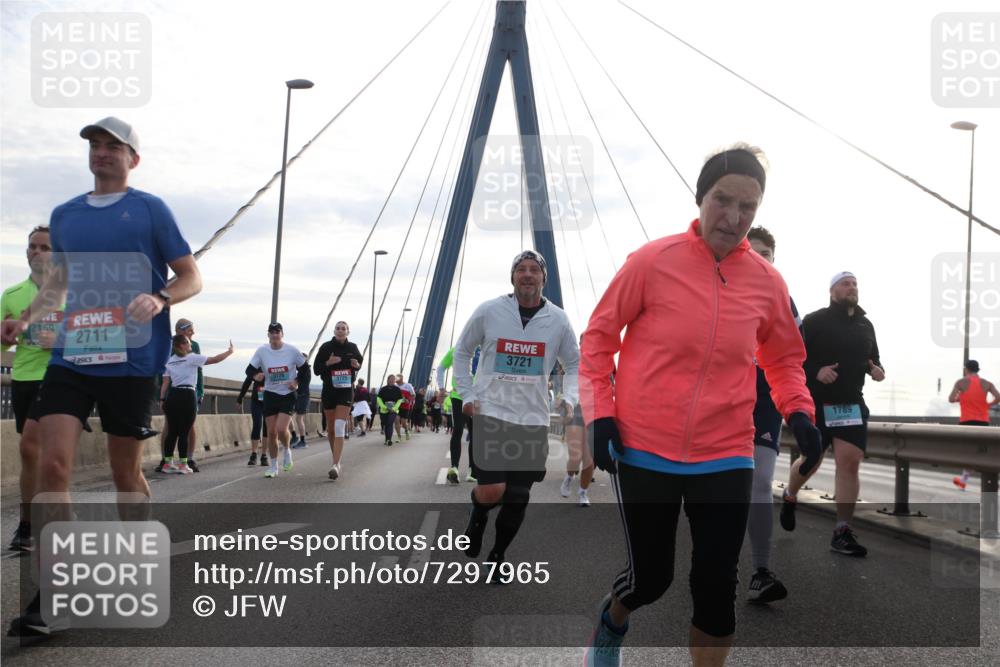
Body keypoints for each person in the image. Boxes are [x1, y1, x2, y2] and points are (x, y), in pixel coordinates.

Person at [580, 144, 821, 666]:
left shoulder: (766, 282)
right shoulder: (652, 262)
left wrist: (800, 412)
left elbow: (782, 360)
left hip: (725, 451)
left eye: (749, 207)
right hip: (645, 447)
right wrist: (600, 412)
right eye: (723, 200)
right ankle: (612, 619)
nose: (734, 218)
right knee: (651, 578)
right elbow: (598, 339)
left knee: (716, 585)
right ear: (700, 197)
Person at [2, 117, 202, 636]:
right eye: (95, 144)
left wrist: (160, 298)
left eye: (115, 146)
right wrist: (24, 322)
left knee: (125, 476)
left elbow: (191, 276)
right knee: (52, 464)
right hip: (71, 355)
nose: (103, 152)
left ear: (133, 159)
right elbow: (57, 283)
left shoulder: (151, 209)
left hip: (131, 361)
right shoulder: (64, 215)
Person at [457, 250, 579, 583]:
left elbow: (575, 364)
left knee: (518, 496)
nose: (527, 275)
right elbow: (463, 351)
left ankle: (497, 557)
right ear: (512, 277)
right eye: (521, 270)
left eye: (534, 270)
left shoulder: (559, 320)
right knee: (493, 490)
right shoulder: (490, 310)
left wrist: (569, 398)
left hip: (533, 418)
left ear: (543, 278)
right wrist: (467, 394)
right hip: (491, 412)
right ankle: (478, 511)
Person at [779, 271, 884, 558]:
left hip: (851, 405)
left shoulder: (866, 324)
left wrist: (875, 370)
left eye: (854, 284)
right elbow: (791, 357)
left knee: (849, 464)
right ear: (832, 291)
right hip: (816, 403)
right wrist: (816, 371)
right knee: (811, 460)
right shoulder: (814, 321)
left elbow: (872, 358)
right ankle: (790, 496)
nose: (851, 287)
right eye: (845, 284)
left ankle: (841, 531)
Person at [743, 226, 800, 604]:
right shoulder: (715, 288)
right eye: (754, 251)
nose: (761, 259)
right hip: (716, 404)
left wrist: (799, 407)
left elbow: (792, 359)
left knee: (760, 483)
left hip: (763, 404)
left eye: (768, 254)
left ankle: (761, 571)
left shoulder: (784, 301)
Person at [1, 225, 62, 552]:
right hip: (23, 377)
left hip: (60, 378)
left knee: (37, 449)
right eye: (32, 247)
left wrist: (61, 340)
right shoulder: (11, 296)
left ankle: (40, 524)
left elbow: (99, 338)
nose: (36, 253)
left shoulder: (74, 293)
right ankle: (30, 522)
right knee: (32, 454)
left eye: (44, 247)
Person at [160, 335, 233, 473]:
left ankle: (167, 464)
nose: (191, 345)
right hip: (187, 395)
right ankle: (183, 465)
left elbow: (165, 383)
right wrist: (229, 352)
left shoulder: (169, 361)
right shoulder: (192, 357)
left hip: (173, 395)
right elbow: (215, 359)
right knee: (184, 432)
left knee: (172, 432)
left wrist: (162, 400)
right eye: (188, 342)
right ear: (181, 345)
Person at [246, 322, 310, 478]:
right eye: (272, 332)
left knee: (282, 429)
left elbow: (305, 370)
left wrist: (296, 383)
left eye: (277, 332)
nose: (275, 335)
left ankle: (287, 450)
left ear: (282, 334)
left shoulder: (292, 350)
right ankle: (274, 466)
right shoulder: (262, 351)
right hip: (270, 394)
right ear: (268, 335)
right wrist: (256, 376)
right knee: (272, 432)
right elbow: (249, 369)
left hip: (287, 395)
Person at [313, 320, 363, 480]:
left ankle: (335, 464)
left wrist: (356, 365)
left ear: (348, 332)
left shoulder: (352, 347)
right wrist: (329, 362)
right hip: (329, 389)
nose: (340, 331)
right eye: (338, 328)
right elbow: (316, 370)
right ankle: (337, 460)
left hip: (346, 391)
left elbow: (358, 364)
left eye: (344, 329)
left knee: (339, 425)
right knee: (331, 428)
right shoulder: (326, 347)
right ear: (334, 331)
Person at [156, 318, 205, 472]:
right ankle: (165, 458)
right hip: (172, 390)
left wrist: (200, 390)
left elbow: (199, 368)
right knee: (169, 426)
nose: (193, 333)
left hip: (190, 390)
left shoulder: (194, 345)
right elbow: (162, 368)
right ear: (179, 331)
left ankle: (189, 459)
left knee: (190, 426)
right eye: (190, 330)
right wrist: (162, 394)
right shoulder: (167, 344)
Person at [948, 359, 999, 489]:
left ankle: (964, 481)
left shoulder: (961, 382)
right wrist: (988, 405)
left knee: (968, 452)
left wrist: (961, 398)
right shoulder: (987, 383)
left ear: (966, 369)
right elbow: (998, 396)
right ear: (978, 370)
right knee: (985, 451)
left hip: (967, 421)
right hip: (983, 422)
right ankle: (994, 479)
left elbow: (951, 399)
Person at [438, 346, 481, 483]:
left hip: (478, 397)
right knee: (458, 430)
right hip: (459, 395)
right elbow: (441, 368)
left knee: (476, 433)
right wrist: (441, 387)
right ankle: (454, 468)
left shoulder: (488, 347)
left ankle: (472, 471)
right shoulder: (457, 349)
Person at [560, 336, 594, 507]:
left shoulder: (602, 359)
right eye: (584, 341)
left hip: (595, 410)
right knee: (576, 455)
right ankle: (569, 477)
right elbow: (565, 383)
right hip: (576, 408)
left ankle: (583, 492)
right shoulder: (573, 359)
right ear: (579, 344)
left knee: (589, 457)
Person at [237, 371, 268, 466]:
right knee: (257, 425)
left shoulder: (273, 363)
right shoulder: (256, 365)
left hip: (269, 400)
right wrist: (240, 397)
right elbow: (247, 381)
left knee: (266, 427)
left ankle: (264, 455)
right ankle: (254, 455)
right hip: (256, 400)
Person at [377, 374, 403, 446]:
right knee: (386, 424)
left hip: (393, 410)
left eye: (393, 379)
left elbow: (400, 400)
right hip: (384, 410)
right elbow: (378, 399)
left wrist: (394, 408)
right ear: (388, 380)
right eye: (390, 379)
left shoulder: (397, 389)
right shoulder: (383, 389)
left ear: (395, 381)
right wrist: (385, 407)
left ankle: (389, 440)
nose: (392, 380)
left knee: (390, 423)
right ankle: (386, 439)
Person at [291, 370, 313, 449]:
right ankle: (294, 436)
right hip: (299, 396)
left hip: (303, 397)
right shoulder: (303, 371)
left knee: (299, 419)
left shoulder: (305, 371)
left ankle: (302, 441)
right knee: (289, 415)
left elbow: (298, 383)